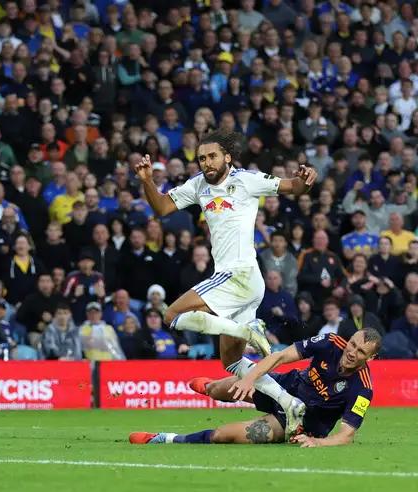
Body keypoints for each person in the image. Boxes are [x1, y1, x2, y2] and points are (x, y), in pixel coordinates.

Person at [135, 130, 317, 423]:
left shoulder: (247, 180)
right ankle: (290, 403)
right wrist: (147, 181)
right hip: (242, 282)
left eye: (212, 156)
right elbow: (162, 207)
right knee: (231, 362)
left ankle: (247, 332)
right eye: (202, 158)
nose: (207, 163)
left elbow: (293, 187)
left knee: (171, 315)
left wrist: (306, 179)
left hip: (238, 274)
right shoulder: (198, 185)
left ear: (227, 158)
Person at [131, 329, 381, 446]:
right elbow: (280, 357)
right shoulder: (330, 342)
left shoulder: (363, 389)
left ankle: (166, 439)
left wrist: (316, 443)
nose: (352, 352)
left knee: (223, 435)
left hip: (297, 422)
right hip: (284, 386)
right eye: (352, 344)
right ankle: (210, 387)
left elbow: (347, 435)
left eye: (361, 352)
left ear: (370, 358)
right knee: (222, 390)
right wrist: (249, 380)